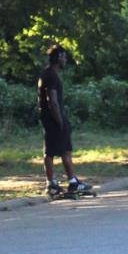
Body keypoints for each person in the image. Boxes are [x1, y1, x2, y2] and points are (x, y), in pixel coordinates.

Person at [37, 43, 88, 195]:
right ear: (59, 57)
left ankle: (72, 182)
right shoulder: (50, 76)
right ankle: (51, 184)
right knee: (50, 152)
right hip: (53, 119)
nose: (66, 60)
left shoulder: (47, 74)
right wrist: (59, 121)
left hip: (53, 117)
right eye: (64, 57)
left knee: (66, 150)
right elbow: (52, 100)